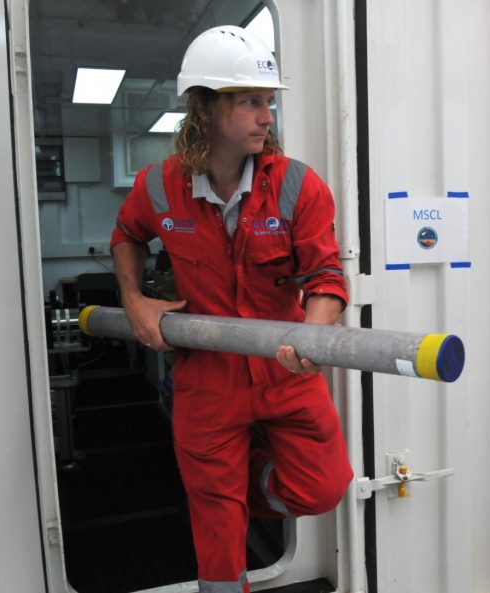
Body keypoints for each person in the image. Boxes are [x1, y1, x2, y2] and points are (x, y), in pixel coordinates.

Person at [109, 25, 354, 593]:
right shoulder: (158, 187)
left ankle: (227, 479)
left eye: (269, 102)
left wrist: (313, 341)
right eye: (250, 102)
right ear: (205, 109)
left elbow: (325, 275)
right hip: (208, 378)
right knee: (216, 531)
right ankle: (215, 501)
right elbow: (126, 234)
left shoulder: (297, 186)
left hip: (285, 369)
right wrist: (134, 298)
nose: (267, 117)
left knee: (321, 487)